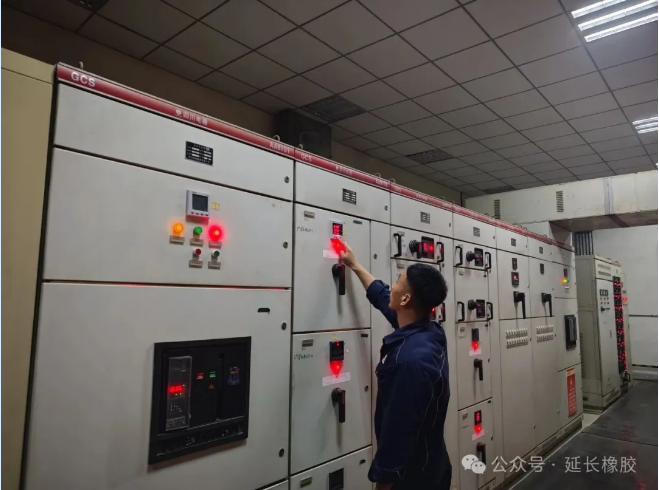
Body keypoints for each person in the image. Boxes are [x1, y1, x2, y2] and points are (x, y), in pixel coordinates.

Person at [338, 239, 452, 490]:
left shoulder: (408, 363)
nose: (392, 286)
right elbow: (383, 297)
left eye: (398, 281)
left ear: (406, 299)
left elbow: (398, 431)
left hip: (413, 479)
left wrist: (384, 483)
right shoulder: (428, 331)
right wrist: (355, 265)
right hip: (433, 464)